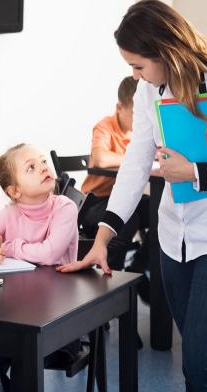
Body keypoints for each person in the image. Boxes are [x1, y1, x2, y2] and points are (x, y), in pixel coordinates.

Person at [59, 0, 207, 391]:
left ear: (165, 51)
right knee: (197, 364)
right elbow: (135, 165)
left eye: (138, 65)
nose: (136, 76)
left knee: (201, 360)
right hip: (173, 240)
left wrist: (195, 172)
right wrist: (102, 239)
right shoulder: (148, 92)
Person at [0, 143, 79, 387]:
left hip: (59, 317)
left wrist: (11, 247)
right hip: (15, 315)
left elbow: (50, 253)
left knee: (23, 352)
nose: (43, 168)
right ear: (15, 192)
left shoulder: (65, 207)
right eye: (31, 167)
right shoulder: (9, 213)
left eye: (43, 162)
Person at [80, 76, 151, 272]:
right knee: (129, 217)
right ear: (120, 108)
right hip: (95, 202)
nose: (140, 120)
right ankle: (112, 273)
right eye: (136, 114)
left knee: (160, 212)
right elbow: (101, 159)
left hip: (126, 198)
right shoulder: (105, 126)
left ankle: (137, 270)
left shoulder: (142, 133)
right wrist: (138, 158)